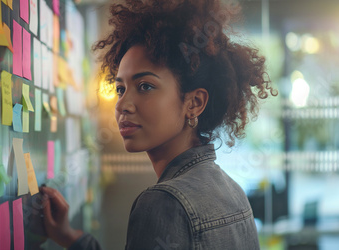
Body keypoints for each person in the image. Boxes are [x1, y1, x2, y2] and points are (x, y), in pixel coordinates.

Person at [40, 0, 277, 249]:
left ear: (194, 103)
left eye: (145, 86)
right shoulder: (233, 191)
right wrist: (70, 237)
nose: (122, 105)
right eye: (120, 89)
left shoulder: (164, 202)